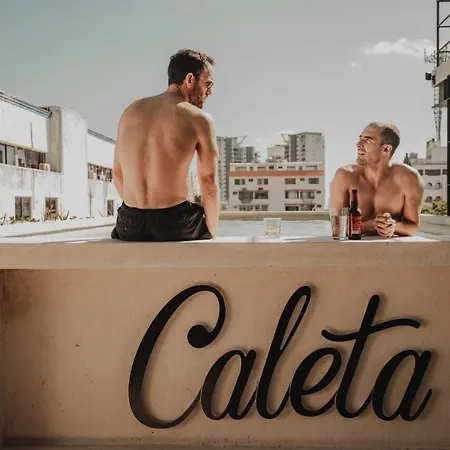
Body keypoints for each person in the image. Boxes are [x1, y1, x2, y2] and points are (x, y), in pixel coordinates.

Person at [111, 49, 220, 242]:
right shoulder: (199, 119)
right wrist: (211, 231)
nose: (209, 92)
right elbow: (209, 182)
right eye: (208, 84)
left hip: (129, 223)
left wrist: (140, 211)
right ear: (190, 79)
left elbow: (118, 175)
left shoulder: (130, 111)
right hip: (175, 222)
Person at [329, 122, 424, 238]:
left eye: (368, 140)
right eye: (360, 138)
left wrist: (393, 227)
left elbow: (412, 226)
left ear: (386, 149)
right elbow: (337, 227)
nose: (358, 144)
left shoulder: (409, 178)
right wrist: (371, 226)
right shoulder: (344, 176)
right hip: (353, 248)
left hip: (389, 248)